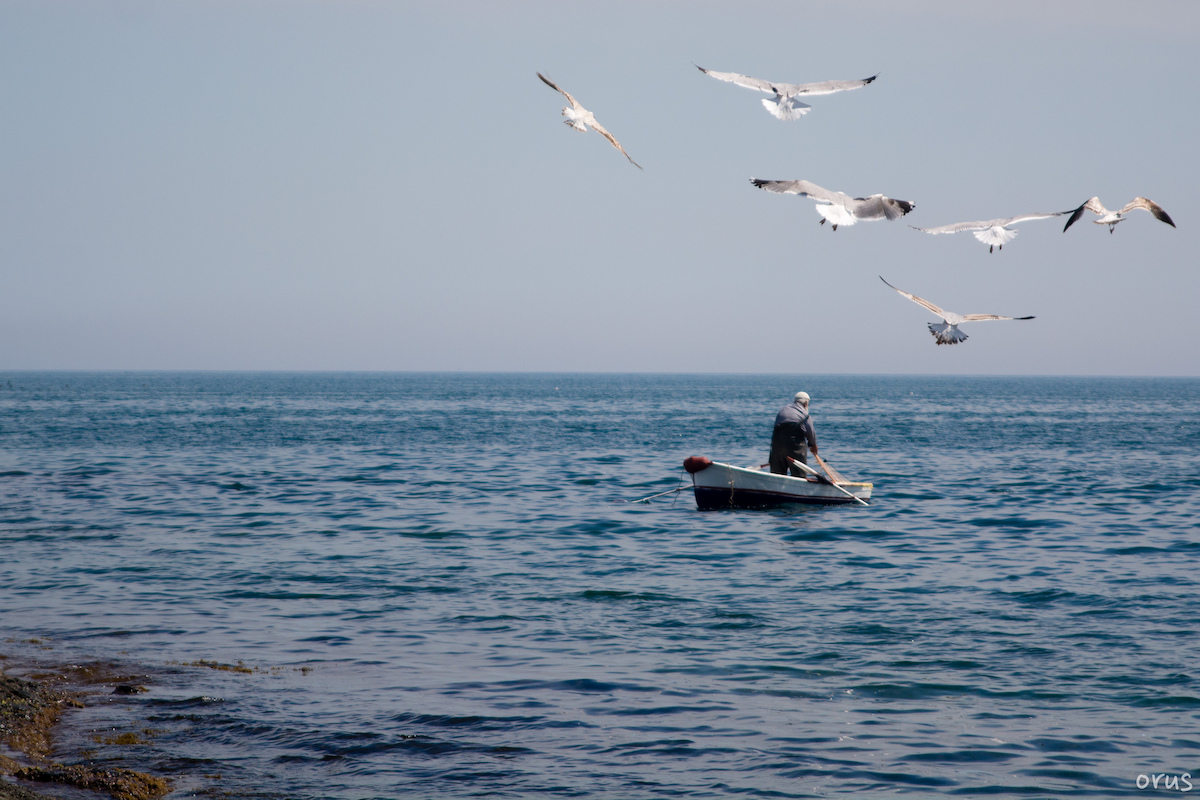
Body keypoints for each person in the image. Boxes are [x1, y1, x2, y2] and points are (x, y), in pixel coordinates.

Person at [769, 391, 818, 477]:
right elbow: (811, 433)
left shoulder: (783, 410)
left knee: (777, 474)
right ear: (806, 403)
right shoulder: (805, 415)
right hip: (795, 447)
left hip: (777, 445)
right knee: (799, 474)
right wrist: (813, 445)